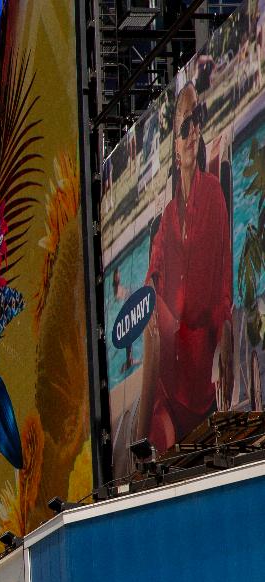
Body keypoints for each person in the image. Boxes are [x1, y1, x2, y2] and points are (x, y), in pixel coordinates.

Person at [141, 81, 234, 452]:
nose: (193, 131)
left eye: (197, 120)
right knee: (154, 446)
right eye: (184, 126)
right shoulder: (165, 218)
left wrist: (225, 324)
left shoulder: (212, 195)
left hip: (199, 378)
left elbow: (222, 279)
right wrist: (149, 294)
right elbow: (153, 273)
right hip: (169, 379)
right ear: (175, 143)